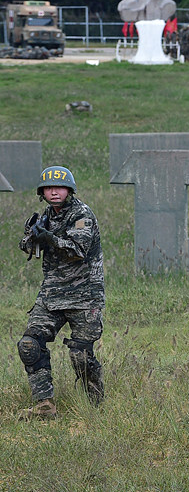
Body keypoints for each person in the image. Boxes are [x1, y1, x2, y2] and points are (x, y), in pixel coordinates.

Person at [17, 166, 105, 420]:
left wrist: (50, 238)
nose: (54, 192)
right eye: (48, 188)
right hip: (52, 294)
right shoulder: (46, 216)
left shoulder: (82, 215)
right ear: (42, 192)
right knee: (29, 345)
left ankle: (96, 404)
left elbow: (77, 249)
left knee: (80, 355)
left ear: (69, 190)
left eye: (59, 187)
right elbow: (26, 247)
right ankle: (45, 407)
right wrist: (33, 236)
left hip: (84, 296)